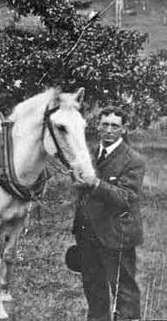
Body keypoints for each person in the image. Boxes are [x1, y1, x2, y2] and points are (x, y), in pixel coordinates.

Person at [71, 106, 145, 321]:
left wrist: (94, 184)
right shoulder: (89, 154)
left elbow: (126, 198)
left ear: (124, 129)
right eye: (105, 125)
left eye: (115, 126)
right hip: (87, 235)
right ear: (98, 126)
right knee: (94, 290)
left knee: (125, 292)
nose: (109, 130)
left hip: (116, 235)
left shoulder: (134, 160)